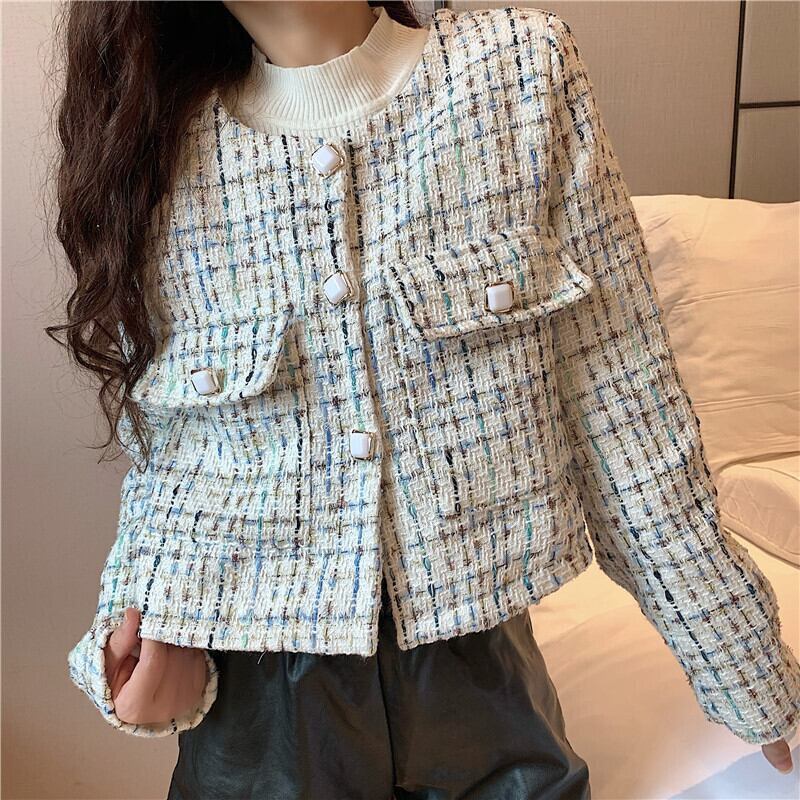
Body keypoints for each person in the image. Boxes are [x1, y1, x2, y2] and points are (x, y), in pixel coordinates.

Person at [50, 1, 799, 797]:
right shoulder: (158, 147)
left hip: (479, 667)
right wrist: (141, 628)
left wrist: (743, 663)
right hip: (260, 702)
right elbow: (169, 455)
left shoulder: (517, 74)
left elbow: (626, 407)